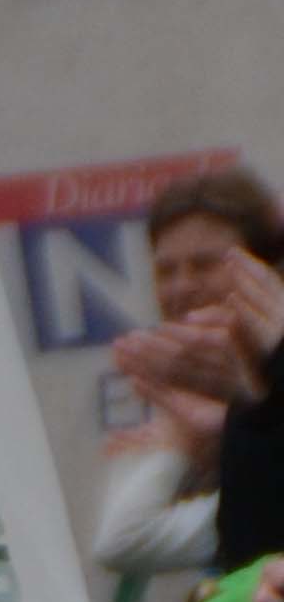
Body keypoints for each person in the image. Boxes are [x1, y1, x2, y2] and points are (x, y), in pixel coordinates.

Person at [105, 167, 284, 577]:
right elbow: (116, 537)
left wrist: (241, 420)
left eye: (205, 264)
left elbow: (125, 538)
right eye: (165, 271)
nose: (182, 287)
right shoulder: (167, 384)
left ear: (265, 272)